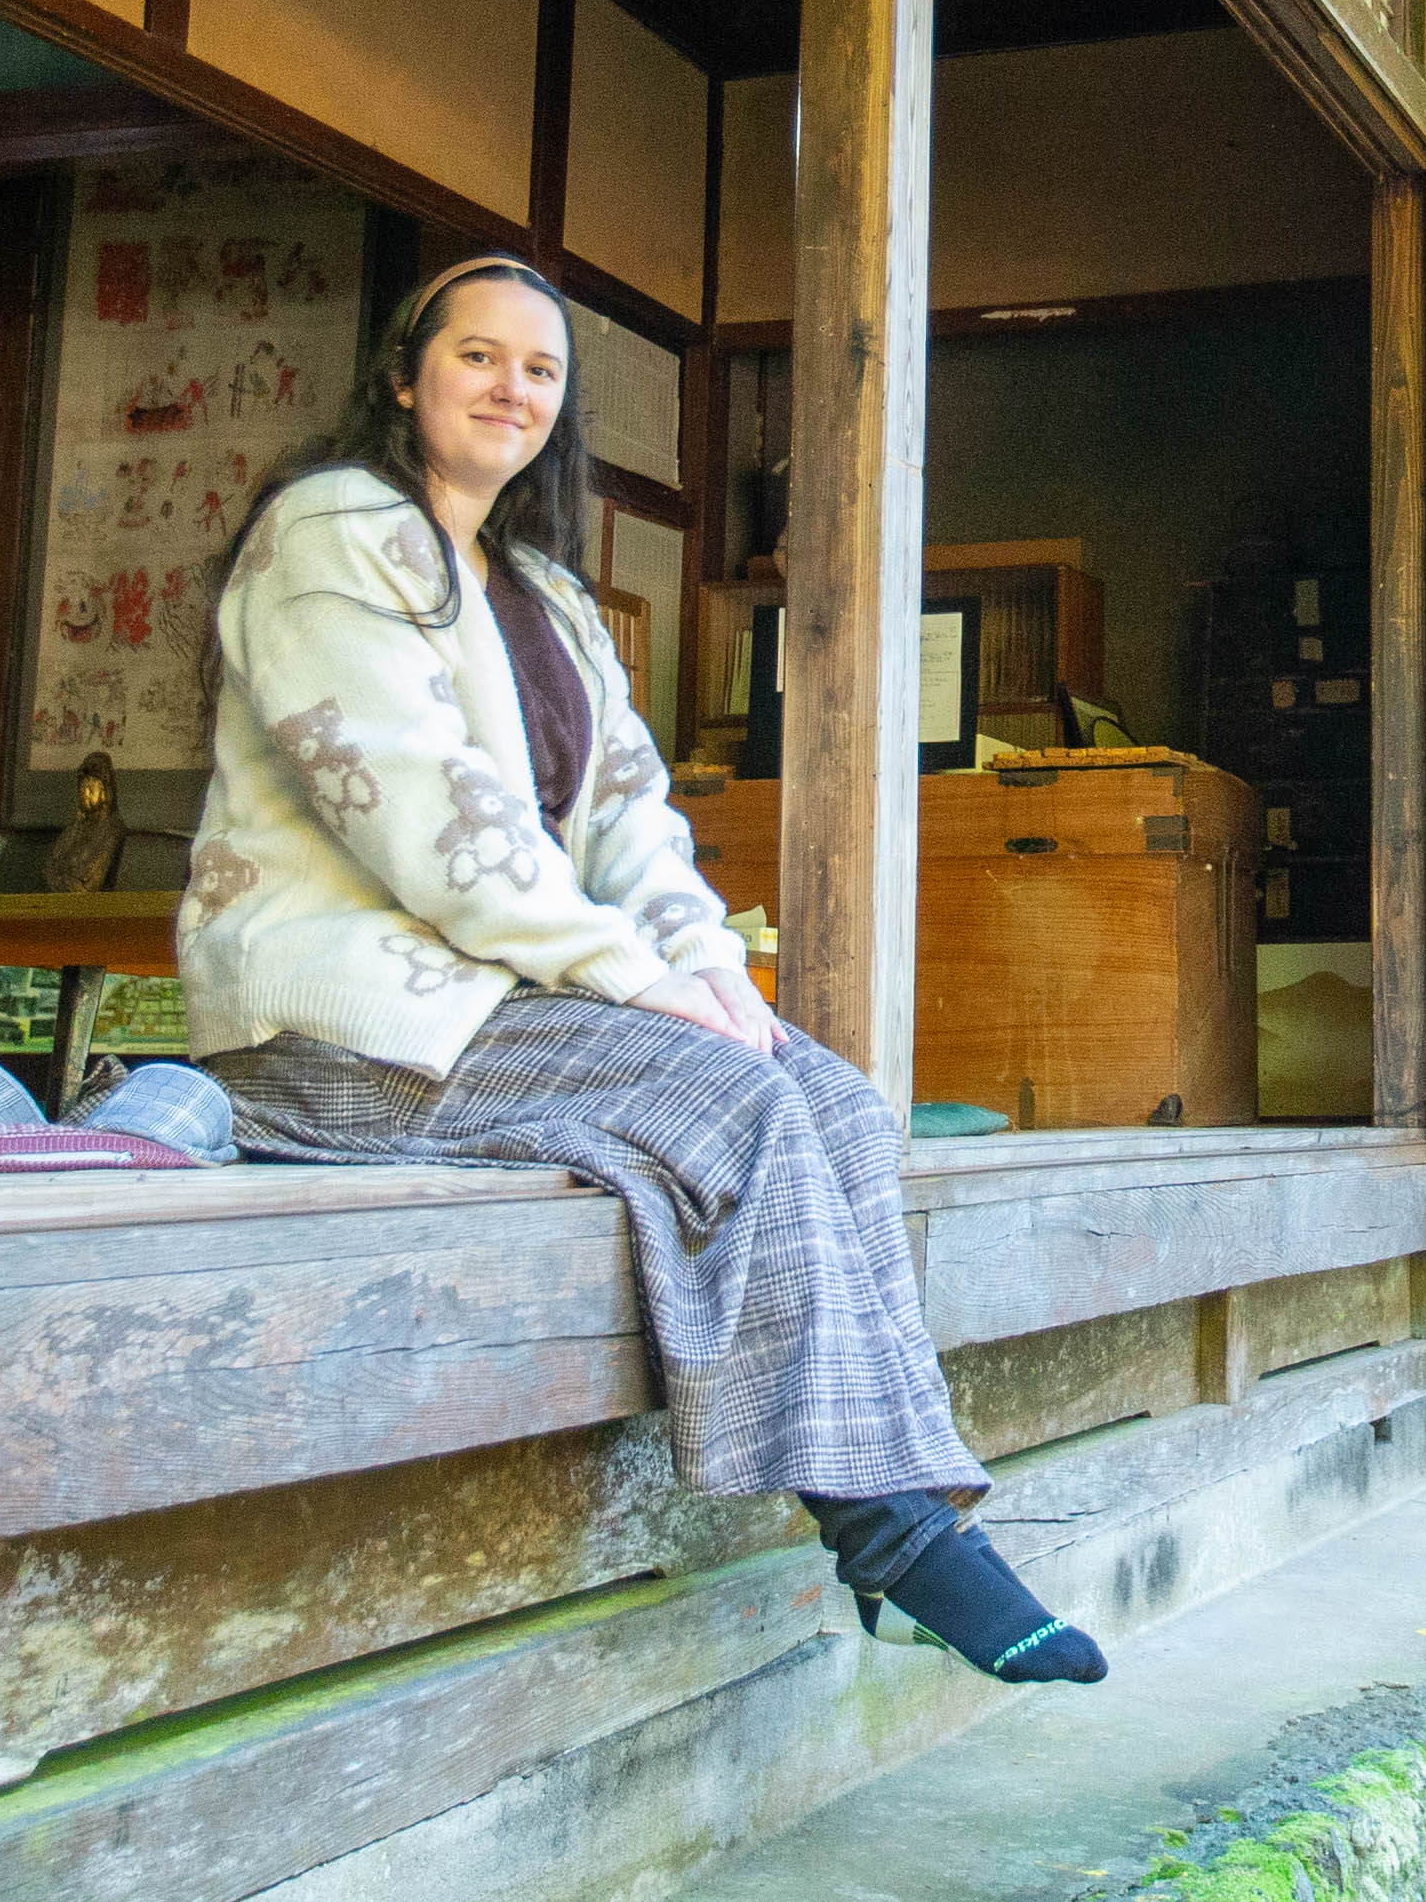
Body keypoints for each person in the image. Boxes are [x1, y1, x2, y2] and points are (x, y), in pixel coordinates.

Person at [175, 253, 1104, 1686]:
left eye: (540, 370)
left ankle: (910, 1510)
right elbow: (423, 812)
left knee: (834, 1102)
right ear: (406, 377)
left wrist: (708, 969)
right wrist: (639, 983)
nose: (511, 388)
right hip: (343, 1028)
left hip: (508, 1010)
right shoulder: (331, 533)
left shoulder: (545, 594)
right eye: (478, 356)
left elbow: (633, 824)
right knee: (733, 1106)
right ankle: (896, 1538)